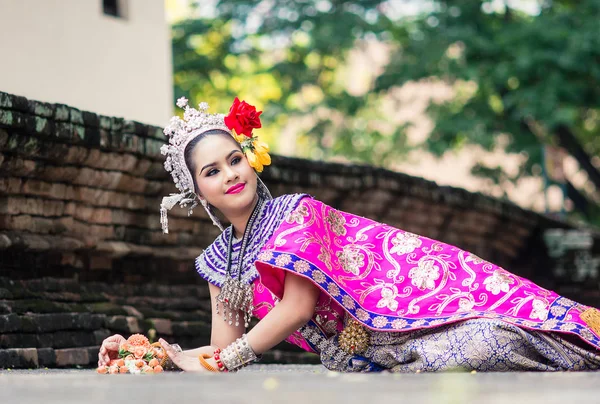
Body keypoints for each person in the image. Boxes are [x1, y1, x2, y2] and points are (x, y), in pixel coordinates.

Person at [98, 97, 600, 373]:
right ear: (200, 193)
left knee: (493, 337)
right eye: (212, 172)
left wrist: (221, 362)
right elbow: (224, 343)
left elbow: (293, 310)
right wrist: (164, 357)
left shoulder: (296, 214)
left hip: (410, 325)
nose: (230, 174)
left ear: (249, 160)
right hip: (365, 359)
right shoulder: (217, 263)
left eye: (234, 159)